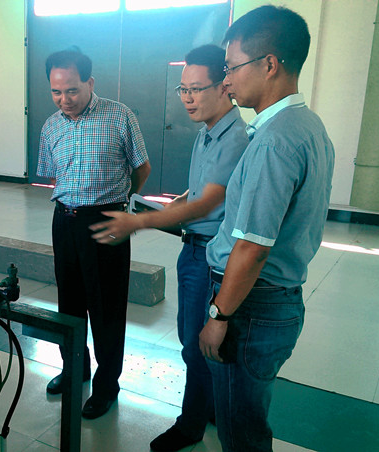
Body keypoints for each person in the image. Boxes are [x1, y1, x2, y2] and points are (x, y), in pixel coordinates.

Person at [89, 45, 247, 450]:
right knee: (193, 339)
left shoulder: (234, 138)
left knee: (197, 345)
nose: (188, 98)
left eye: (197, 89)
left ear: (224, 85)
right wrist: (171, 205)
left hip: (210, 254)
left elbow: (208, 203)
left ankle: (191, 424)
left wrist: (139, 221)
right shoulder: (208, 133)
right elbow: (197, 193)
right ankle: (209, 406)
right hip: (194, 249)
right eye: (183, 89)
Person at [198, 6, 335, 452]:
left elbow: (252, 248)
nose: (226, 81)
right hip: (276, 299)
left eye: (231, 67)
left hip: (250, 308)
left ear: (270, 64)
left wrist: (219, 317)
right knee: (248, 418)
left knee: (241, 432)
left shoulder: (274, 142)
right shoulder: (308, 126)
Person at [37, 47, 151, 420]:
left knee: (106, 308)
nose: (64, 99)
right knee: (69, 302)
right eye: (56, 91)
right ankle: (75, 368)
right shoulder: (51, 126)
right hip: (65, 221)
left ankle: (106, 385)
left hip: (106, 222)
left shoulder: (120, 116)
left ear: (90, 82)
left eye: (72, 90)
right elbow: (53, 175)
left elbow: (142, 169)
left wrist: (120, 203)